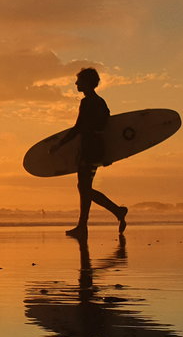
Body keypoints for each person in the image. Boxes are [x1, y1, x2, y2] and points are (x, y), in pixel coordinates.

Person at [52, 68, 127, 237]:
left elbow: (78, 128)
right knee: (84, 187)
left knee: (84, 188)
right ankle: (84, 226)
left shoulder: (87, 102)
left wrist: (60, 144)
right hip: (97, 147)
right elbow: (107, 124)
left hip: (89, 148)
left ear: (87, 83)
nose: (76, 83)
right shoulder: (100, 101)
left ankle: (116, 212)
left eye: (79, 81)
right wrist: (108, 152)